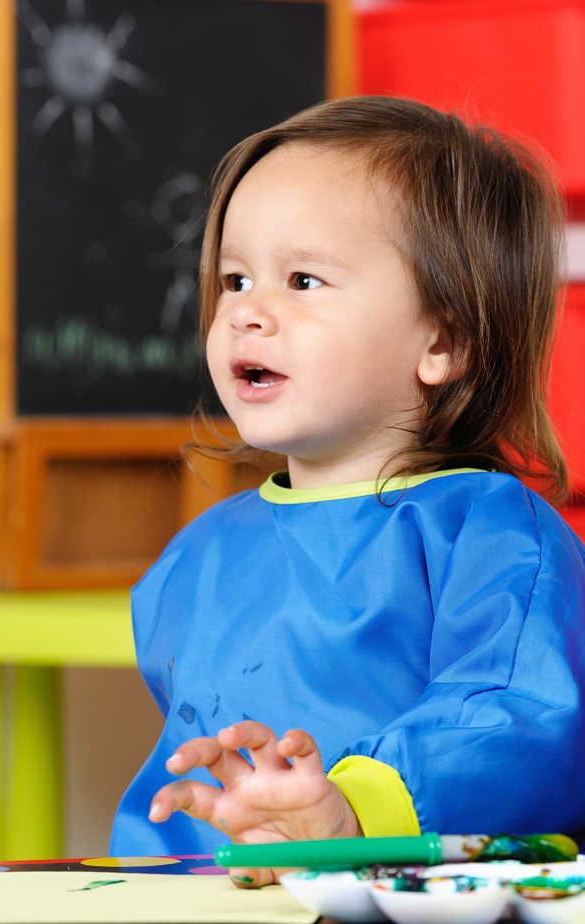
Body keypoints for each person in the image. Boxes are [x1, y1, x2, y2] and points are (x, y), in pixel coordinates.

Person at [109, 96, 585, 884]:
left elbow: (519, 721)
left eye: (302, 279)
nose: (247, 312)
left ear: (444, 340)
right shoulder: (199, 552)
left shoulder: (489, 532)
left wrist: (353, 812)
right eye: (233, 278)